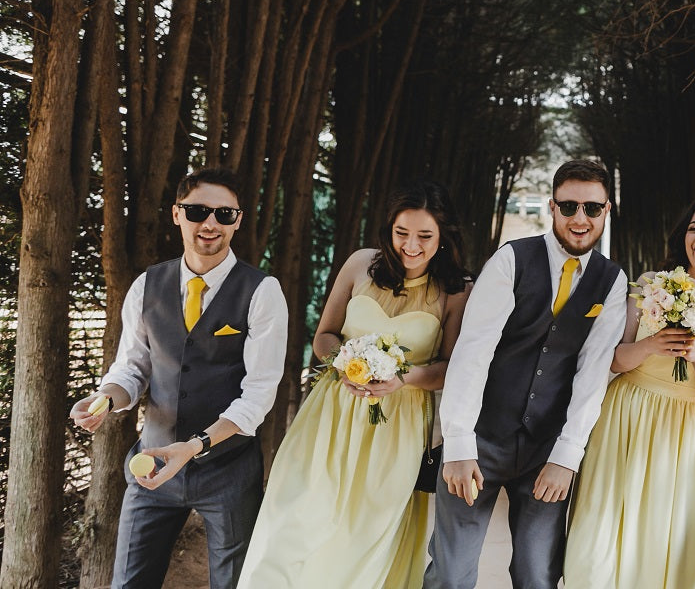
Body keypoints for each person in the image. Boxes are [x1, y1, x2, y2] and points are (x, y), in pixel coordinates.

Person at [236, 182, 472, 588]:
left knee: (364, 532)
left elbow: (450, 368)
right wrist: (345, 363)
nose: (410, 246)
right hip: (331, 413)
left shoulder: (456, 290)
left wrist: (403, 378)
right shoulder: (360, 264)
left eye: (424, 236)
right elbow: (324, 335)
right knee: (296, 519)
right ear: (389, 230)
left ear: (444, 237)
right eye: (402, 233)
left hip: (397, 425)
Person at [69, 168, 287, 588]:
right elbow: (132, 367)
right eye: (198, 211)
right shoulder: (146, 286)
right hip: (150, 463)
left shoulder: (263, 292)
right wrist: (105, 399)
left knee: (235, 583)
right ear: (176, 214)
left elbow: (259, 393)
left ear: (238, 220)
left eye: (224, 214)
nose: (211, 223)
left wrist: (195, 446)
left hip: (228, 469)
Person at [423, 159, 628, 589]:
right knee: (452, 574)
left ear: (606, 211)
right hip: (482, 439)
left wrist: (566, 457)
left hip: (545, 451)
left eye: (592, 208)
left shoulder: (611, 281)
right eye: (568, 206)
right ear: (551, 208)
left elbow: (593, 371)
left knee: (538, 575)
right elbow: (472, 353)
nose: (579, 218)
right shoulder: (511, 260)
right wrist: (459, 443)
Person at [564, 198, 695, 588]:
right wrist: (653, 345)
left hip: (679, 428)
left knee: (656, 539)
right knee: (595, 536)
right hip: (623, 414)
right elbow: (615, 359)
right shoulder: (651, 284)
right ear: (683, 237)